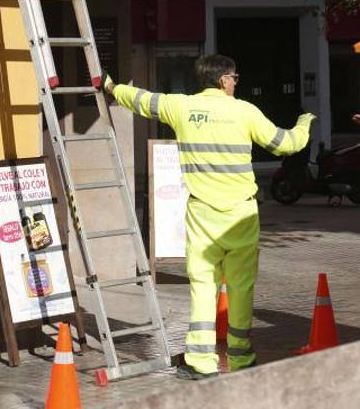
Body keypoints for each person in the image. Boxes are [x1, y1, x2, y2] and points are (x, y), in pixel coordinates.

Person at [101, 54, 316, 380]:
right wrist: (305, 123)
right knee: (242, 288)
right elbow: (285, 144)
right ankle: (241, 358)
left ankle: (201, 361)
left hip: (202, 214)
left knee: (203, 288)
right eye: (234, 77)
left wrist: (111, 86)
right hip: (241, 214)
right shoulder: (244, 111)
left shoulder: (182, 107)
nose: (235, 82)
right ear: (223, 80)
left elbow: (142, 100)